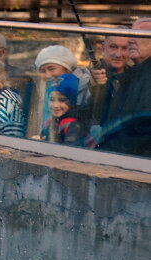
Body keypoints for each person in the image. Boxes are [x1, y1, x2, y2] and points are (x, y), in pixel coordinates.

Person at [98, 18, 151, 156]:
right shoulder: (134, 74)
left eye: (139, 36)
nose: (131, 41)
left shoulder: (145, 77)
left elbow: (143, 129)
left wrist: (104, 152)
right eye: (131, 35)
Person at [34, 44, 91, 112]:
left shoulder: (86, 88)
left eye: (51, 69)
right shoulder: (44, 89)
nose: (47, 75)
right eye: (42, 71)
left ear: (67, 69)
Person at [41, 73, 82, 144]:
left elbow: (69, 151)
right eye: (52, 99)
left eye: (62, 100)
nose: (55, 105)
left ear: (71, 102)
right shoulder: (50, 122)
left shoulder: (73, 124)